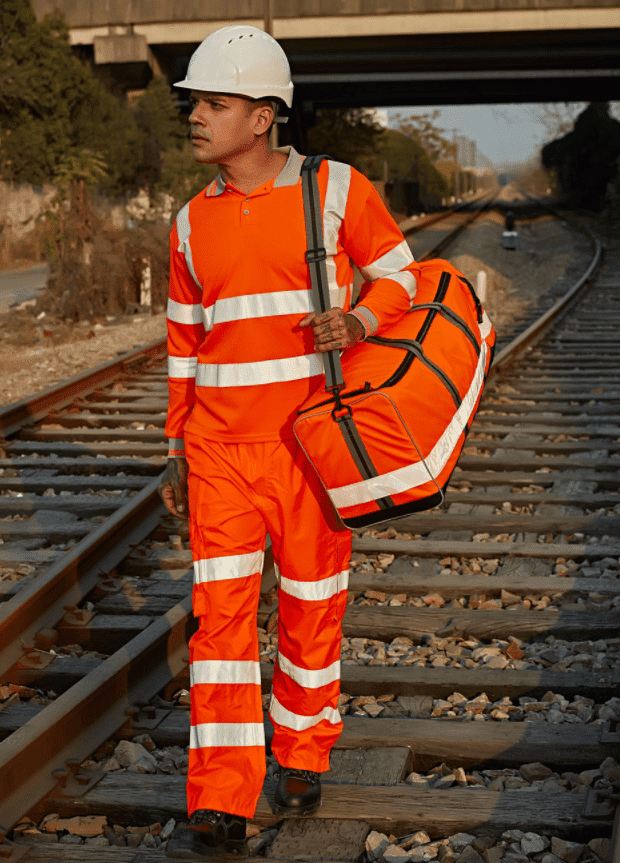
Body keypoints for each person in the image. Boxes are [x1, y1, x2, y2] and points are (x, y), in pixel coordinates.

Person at [158, 23, 418, 860]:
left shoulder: (335, 189)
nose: (197, 115)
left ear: (264, 115)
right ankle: (221, 798)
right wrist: (175, 447)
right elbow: (184, 343)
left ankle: (302, 750)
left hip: (311, 450)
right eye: (195, 101)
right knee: (221, 625)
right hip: (220, 454)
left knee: (310, 610)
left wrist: (359, 318)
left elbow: (402, 273)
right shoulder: (189, 222)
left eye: (215, 101)